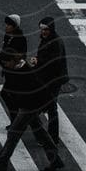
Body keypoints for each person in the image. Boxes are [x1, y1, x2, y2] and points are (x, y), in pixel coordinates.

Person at [0, 47, 62, 171]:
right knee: (39, 132)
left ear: (12, 60)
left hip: (31, 106)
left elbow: (38, 90)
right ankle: (55, 159)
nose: (4, 65)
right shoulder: (12, 69)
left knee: (13, 133)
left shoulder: (27, 72)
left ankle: (1, 163)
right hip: (25, 105)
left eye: (6, 62)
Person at [30, 15, 69, 143]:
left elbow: (53, 62)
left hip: (52, 81)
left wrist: (38, 61)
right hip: (47, 79)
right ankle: (50, 137)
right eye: (42, 29)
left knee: (47, 108)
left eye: (46, 29)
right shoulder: (47, 39)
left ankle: (49, 138)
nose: (43, 32)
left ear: (51, 29)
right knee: (49, 108)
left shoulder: (55, 42)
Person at [0, 13, 27, 118]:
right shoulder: (7, 36)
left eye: (9, 25)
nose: (6, 26)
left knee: (6, 94)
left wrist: (12, 62)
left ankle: (16, 119)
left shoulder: (20, 39)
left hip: (16, 73)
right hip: (8, 72)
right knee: (11, 95)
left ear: (14, 26)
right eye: (6, 24)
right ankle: (16, 119)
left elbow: (22, 55)